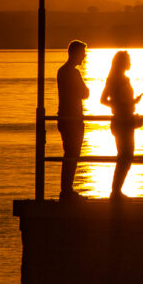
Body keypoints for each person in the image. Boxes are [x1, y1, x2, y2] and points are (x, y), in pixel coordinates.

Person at [100, 50, 143, 200]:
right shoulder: (119, 79)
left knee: (125, 156)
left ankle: (116, 191)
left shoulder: (114, 78)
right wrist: (122, 105)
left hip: (121, 121)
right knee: (126, 156)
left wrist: (132, 102)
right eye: (128, 60)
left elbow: (105, 100)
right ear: (122, 63)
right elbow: (105, 100)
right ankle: (116, 191)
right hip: (123, 122)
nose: (130, 63)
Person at [57, 40, 90, 202]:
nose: (84, 57)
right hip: (73, 119)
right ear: (76, 54)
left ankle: (66, 190)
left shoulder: (61, 71)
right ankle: (67, 191)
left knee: (70, 153)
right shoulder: (73, 73)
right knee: (72, 154)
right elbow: (85, 93)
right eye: (83, 54)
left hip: (65, 118)